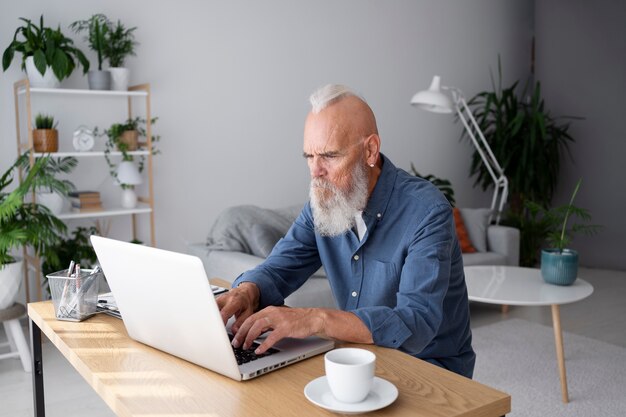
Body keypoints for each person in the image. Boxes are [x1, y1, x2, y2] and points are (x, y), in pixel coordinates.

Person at [217, 84, 475, 378]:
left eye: (329, 155)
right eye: (309, 157)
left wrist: (315, 319)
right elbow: (278, 270)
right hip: (357, 360)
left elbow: (416, 322)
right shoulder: (322, 203)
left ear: (370, 150)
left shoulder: (427, 212)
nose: (316, 172)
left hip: (431, 371)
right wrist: (246, 291)